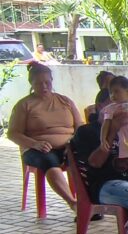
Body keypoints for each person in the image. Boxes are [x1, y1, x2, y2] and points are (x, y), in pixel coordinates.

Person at [8, 63, 83, 211]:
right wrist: (34, 144)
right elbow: (13, 133)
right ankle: (73, 203)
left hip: (67, 146)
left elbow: (79, 125)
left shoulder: (65, 101)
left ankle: (88, 202)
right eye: (38, 83)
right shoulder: (24, 105)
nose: (44, 86)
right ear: (31, 84)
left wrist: (75, 142)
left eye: (47, 82)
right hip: (37, 149)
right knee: (49, 161)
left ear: (52, 81)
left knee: (85, 159)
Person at [71, 91, 128, 212]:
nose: (122, 108)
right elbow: (95, 163)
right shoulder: (87, 131)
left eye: (126, 104)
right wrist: (113, 130)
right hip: (106, 183)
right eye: (116, 104)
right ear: (100, 107)